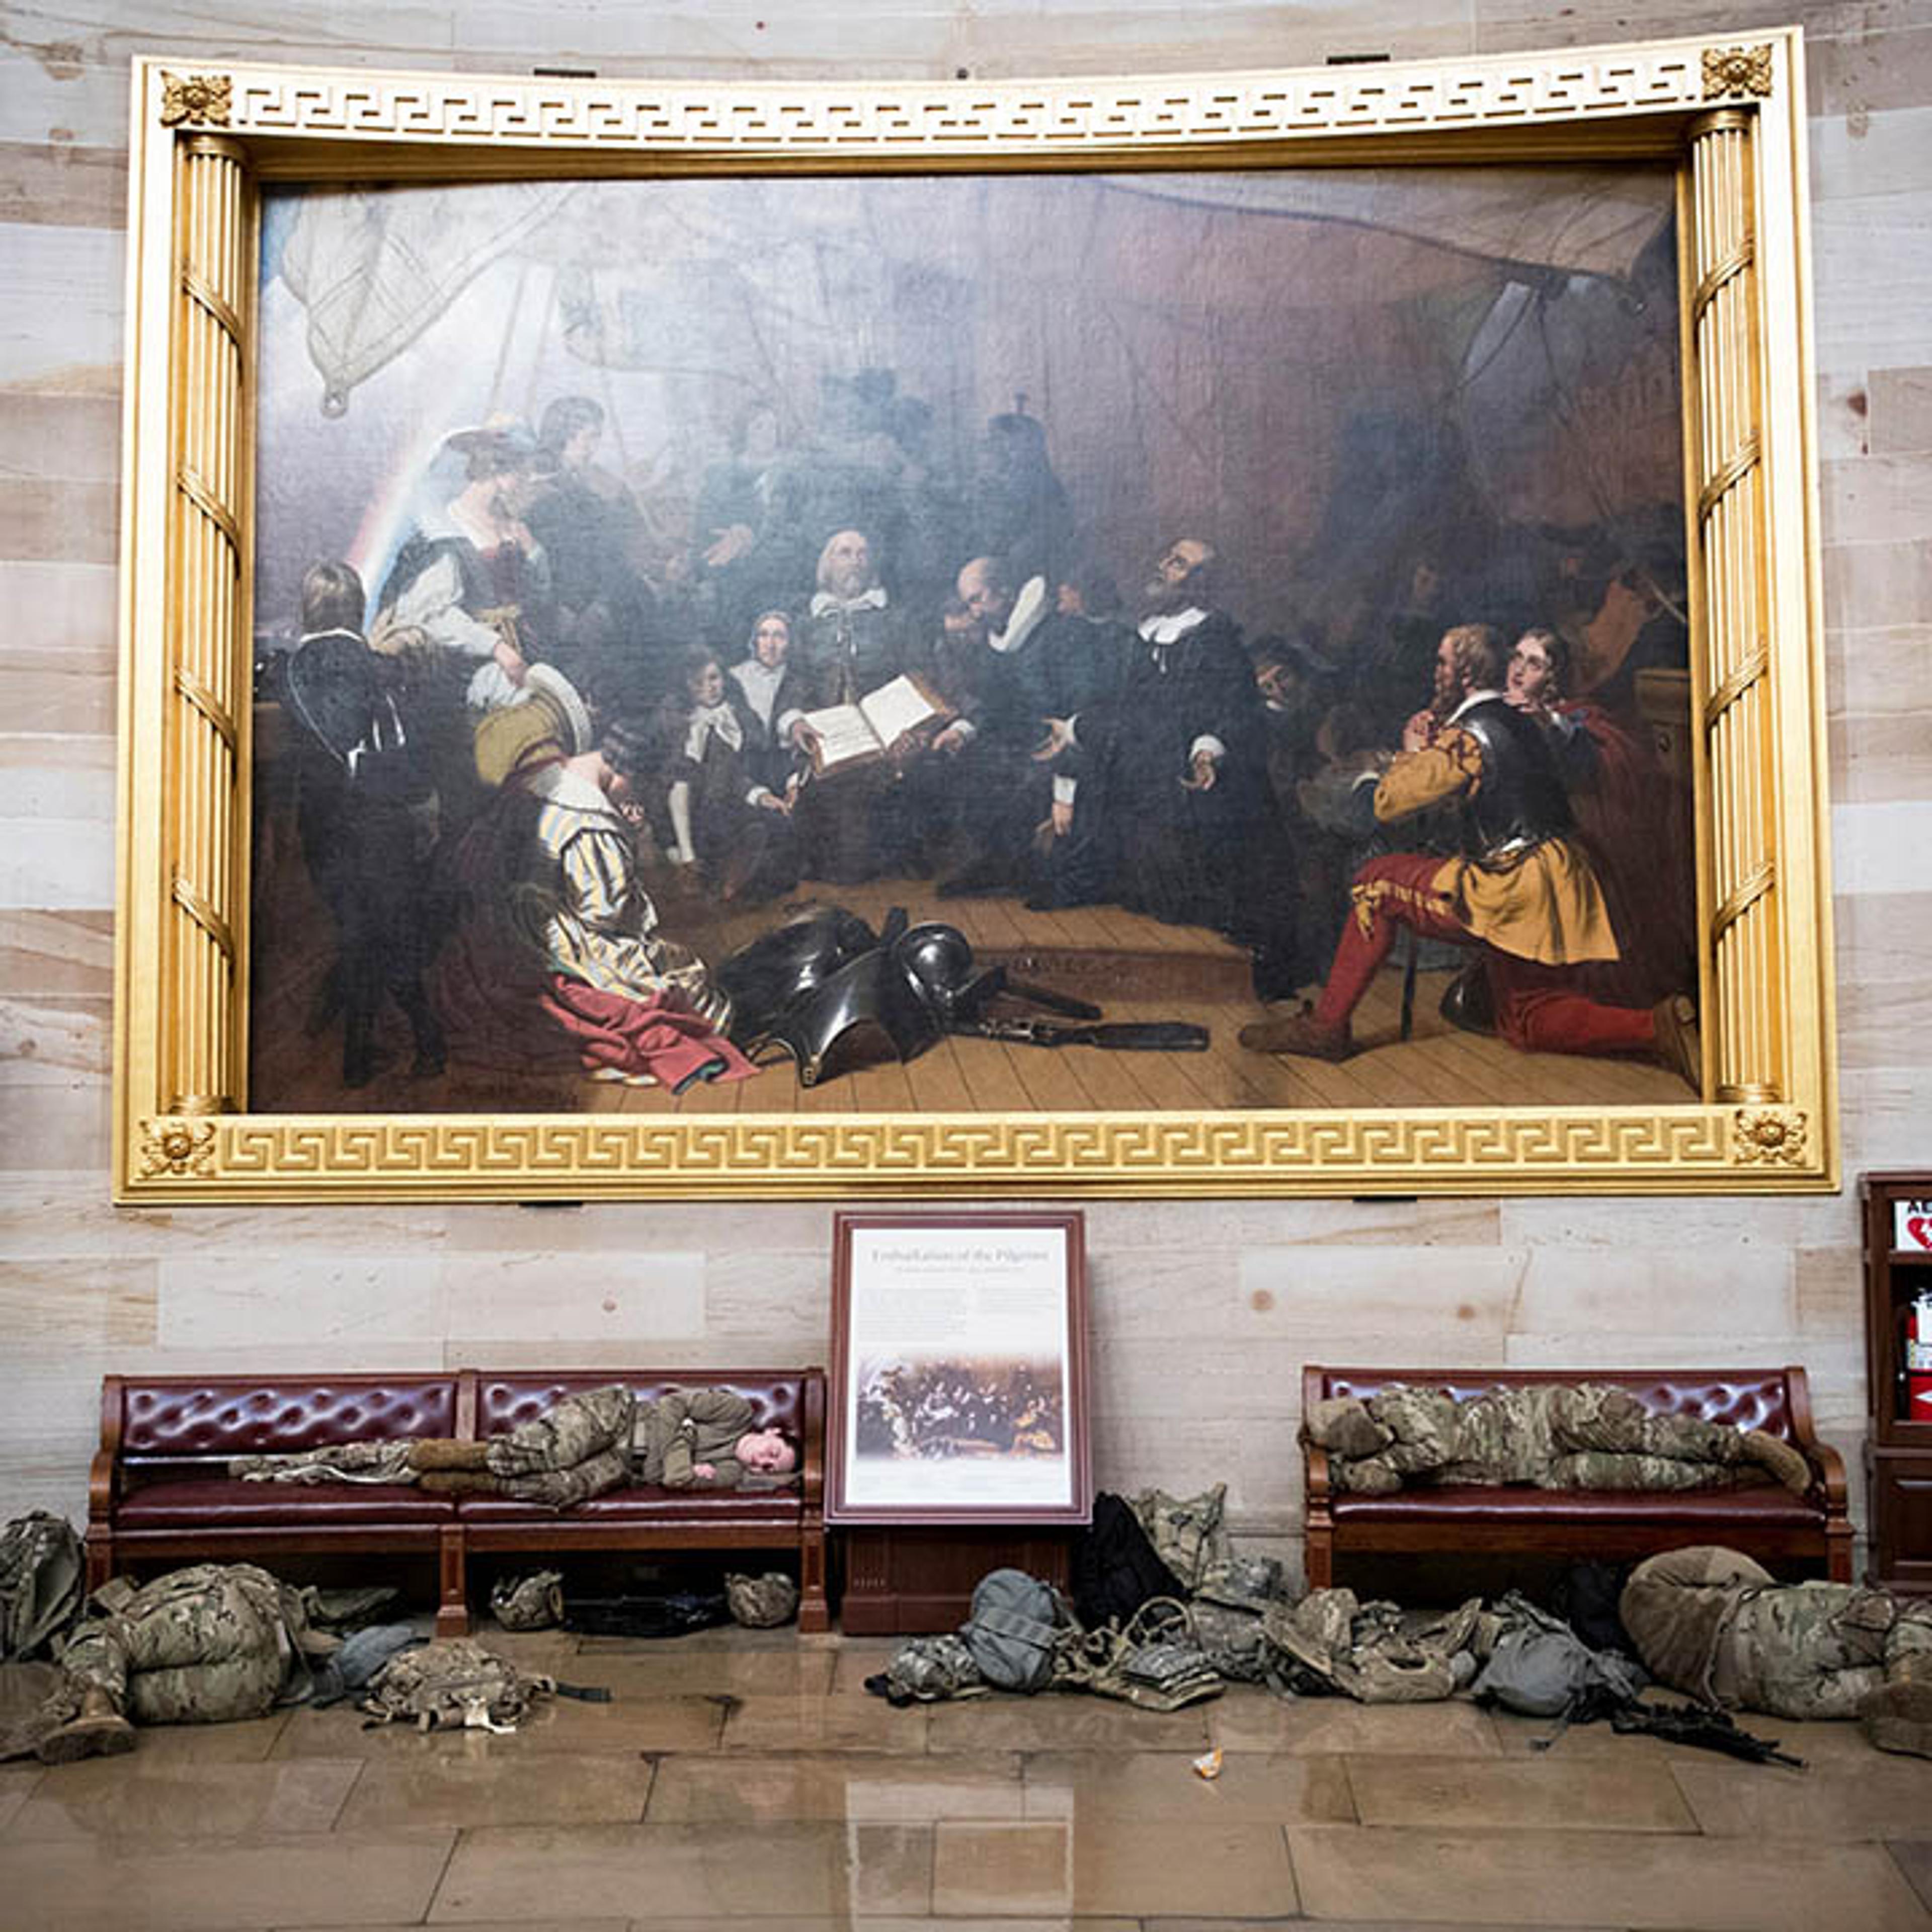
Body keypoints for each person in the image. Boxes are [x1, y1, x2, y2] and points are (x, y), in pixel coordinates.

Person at [1239, 621, 1699, 1080]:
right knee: (1528, 1018)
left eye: (1442, 661)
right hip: (1563, 877)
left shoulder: (1472, 735)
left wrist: (1412, 753)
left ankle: (1326, 1028)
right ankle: (1655, 1027)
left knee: (1374, 883)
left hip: (1514, 881)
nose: (1435, 669)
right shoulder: (1519, 719)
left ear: (1464, 673)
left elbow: (1389, 803)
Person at [1039, 538, 1306, 999]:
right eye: (1168, 557)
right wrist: (1077, 732)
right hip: (1140, 765)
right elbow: (1121, 709)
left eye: (1179, 564)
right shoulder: (1141, 634)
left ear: (1202, 585)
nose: (1164, 566)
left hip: (1189, 769)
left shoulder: (1216, 640)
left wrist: (1207, 750)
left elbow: (1233, 712)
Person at [281, 560, 446, 1089]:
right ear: (357, 607)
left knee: (357, 935)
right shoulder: (369, 664)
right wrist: (421, 803)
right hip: (378, 821)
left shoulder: (289, 669)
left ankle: (358, 1058)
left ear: (310, 608)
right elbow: (389, 741)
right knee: (390, 936)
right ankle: (428, 1041)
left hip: (323, 826)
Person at [1620, 1545, 1932, 1753]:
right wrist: (1776, 1596)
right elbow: (1735, 1565)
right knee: (1910, 1615)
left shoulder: (1643, 1655)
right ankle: (1910, 1680)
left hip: (1761, 1693)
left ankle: (1904, 1720)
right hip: (1768, 1629)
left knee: (1877, 1692)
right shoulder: (1646, 1579)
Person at [785, 528, 920, 881]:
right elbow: (795, 680)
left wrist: (906, 729)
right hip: (825, 735)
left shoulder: (896, 618)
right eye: (844, 553)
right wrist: (795, 722)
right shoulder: (806, 621)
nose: (855, 562)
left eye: (862, 553)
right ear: (827, 563)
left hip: (885, 735)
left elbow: (913, 677)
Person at [665, 647, 799, 904]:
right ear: (687, 687)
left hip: (731, 800)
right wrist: (686, 853)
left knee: (776, 823)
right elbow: (678, 787)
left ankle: (736, 883)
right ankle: (706, 871)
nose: (710, 687)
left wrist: (760, 795)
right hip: (690, 813)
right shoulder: (684, 726)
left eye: (714, 678)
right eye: (699, 683)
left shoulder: (736, 716)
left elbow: (737, 774)